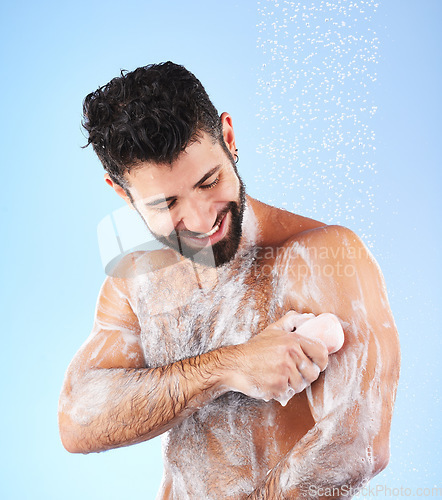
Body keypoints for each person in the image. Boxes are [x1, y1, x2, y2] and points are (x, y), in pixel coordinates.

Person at [58, 62, 400, 499]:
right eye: (168, 204)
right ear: (123, 194)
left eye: (209, 181)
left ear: (230, 140)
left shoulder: (322, 257)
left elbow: (358, 443)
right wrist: (228, 367)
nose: (202, 220)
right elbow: (78, 421)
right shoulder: (138, 283)